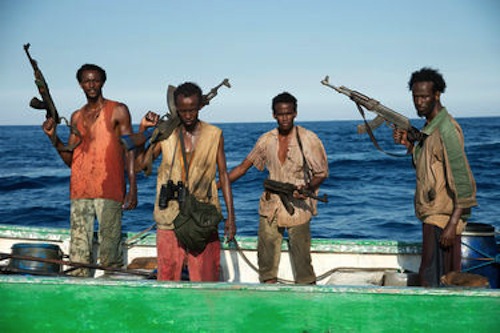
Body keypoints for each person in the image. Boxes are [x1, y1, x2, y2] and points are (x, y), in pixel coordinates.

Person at [42, 64, 137, 277]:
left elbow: (130, 148)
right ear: (80, 84)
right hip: (80, 190)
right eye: (87, 81)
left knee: (110, 252)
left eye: (95, 80)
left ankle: (110, 295)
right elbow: (71, 160)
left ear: (103, 82)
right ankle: (79, 297)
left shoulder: (118, 110)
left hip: (109, 189)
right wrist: (53, 137)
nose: (91, 85)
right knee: (78, 256)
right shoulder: (76, 117)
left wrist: (132, 188)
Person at [136, 82, 236, 282]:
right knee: (167, 276)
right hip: (169, 216)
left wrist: (231, 217)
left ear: (200, 106)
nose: (188, 115)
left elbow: (223, 174)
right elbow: (140, 164)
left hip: (203, 215)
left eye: (192, 110)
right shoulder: (166, 134)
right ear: (176, 109)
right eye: (182, 111)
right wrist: (142, 129)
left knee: (206, 278)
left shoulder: (214, 134)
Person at [226, 92, 329, 284]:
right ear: (274, 115)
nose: (285, 118)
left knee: (302, 260)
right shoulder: (266, 140)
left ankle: (306, 295)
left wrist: (306, 187)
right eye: (280, 114)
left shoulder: (308, 139)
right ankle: (268, 291)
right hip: (270, 205)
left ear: (295, 113)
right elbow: (242, 167)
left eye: (288, 113)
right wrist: (217, 185)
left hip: (298, 207)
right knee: (265, 257)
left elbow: (321, 173)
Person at [393, 68, 477, 287]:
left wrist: (452, 223)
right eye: (415, 97)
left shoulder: (447, 129)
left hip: (443, 218)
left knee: (433, 278)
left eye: (424, 97)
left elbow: (462, 178)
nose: (419, 102)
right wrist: (410, 146)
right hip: (432, 214)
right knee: (435, 277)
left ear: (437, 95)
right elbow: (428, 170)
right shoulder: (429, 129)